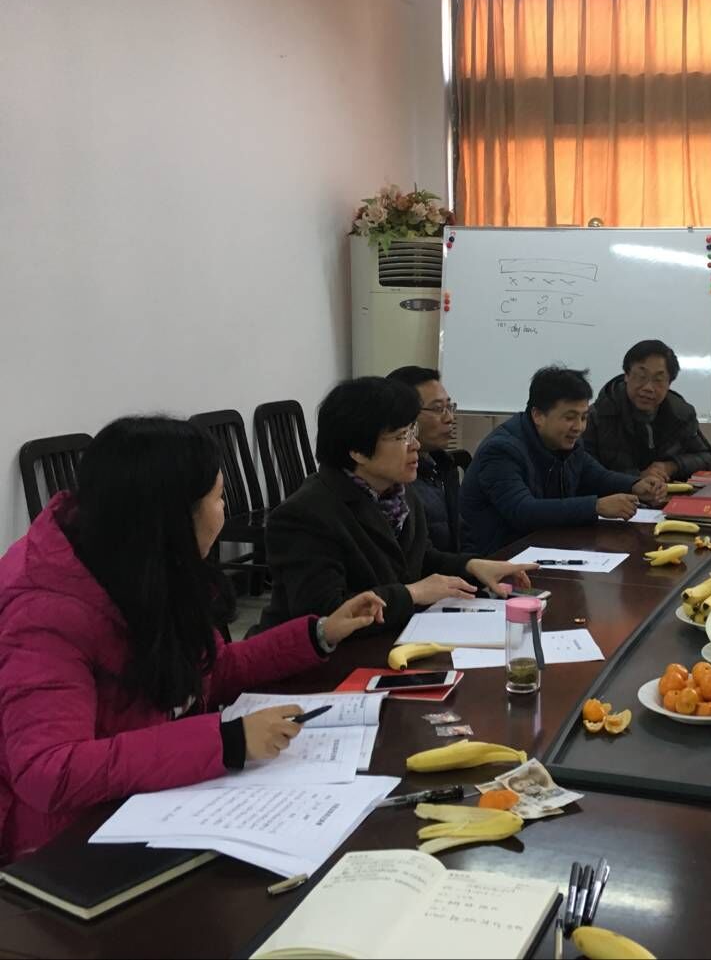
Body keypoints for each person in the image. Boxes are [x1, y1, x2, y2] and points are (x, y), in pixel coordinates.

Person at [0, 417, 387, 862]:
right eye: (219, 497)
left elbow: (212, 671)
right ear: (173, 516)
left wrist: (318, 633)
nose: (224, 510)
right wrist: (226, 742)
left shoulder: (143, 567)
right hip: (69, 844)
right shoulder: (44, 614)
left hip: (154, 801)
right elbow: (50, 770)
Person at [260, 378, 533, 634]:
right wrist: (412, 593)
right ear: (357, 451)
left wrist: (473, 567)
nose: (415, 445)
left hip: (390, 638)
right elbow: (325, 616)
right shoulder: (306, 515)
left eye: (412, 431)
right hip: (320, 662)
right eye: (401, 436)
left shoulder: (398, 494)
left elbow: (420, 559)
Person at [460, 366, 669, 555]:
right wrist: (595, 506)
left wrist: (635, 486)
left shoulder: (566, 443)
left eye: (584, 417)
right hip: (498, 560)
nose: (579, 427)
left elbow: (596, 476)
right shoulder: (501, 450)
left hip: (546, 548)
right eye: (570, 417)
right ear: (538, 415)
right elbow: (523, 511)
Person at [581, 340, 711, 481]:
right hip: (616, 493)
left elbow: (708, 457)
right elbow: (585, 471)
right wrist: (636, 479)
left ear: (669, 383)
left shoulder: (680, 414)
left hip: (665, 492)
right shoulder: (598, 415)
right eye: (641, 377)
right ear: (626, 375)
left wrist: (670, 466)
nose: (648, 388)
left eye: (658, 380)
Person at [387, 365, 463, 553]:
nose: (450, 418)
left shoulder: (444, 466)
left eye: (449, 407)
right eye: (438, 409)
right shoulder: (392, 482)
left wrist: (473, 563)